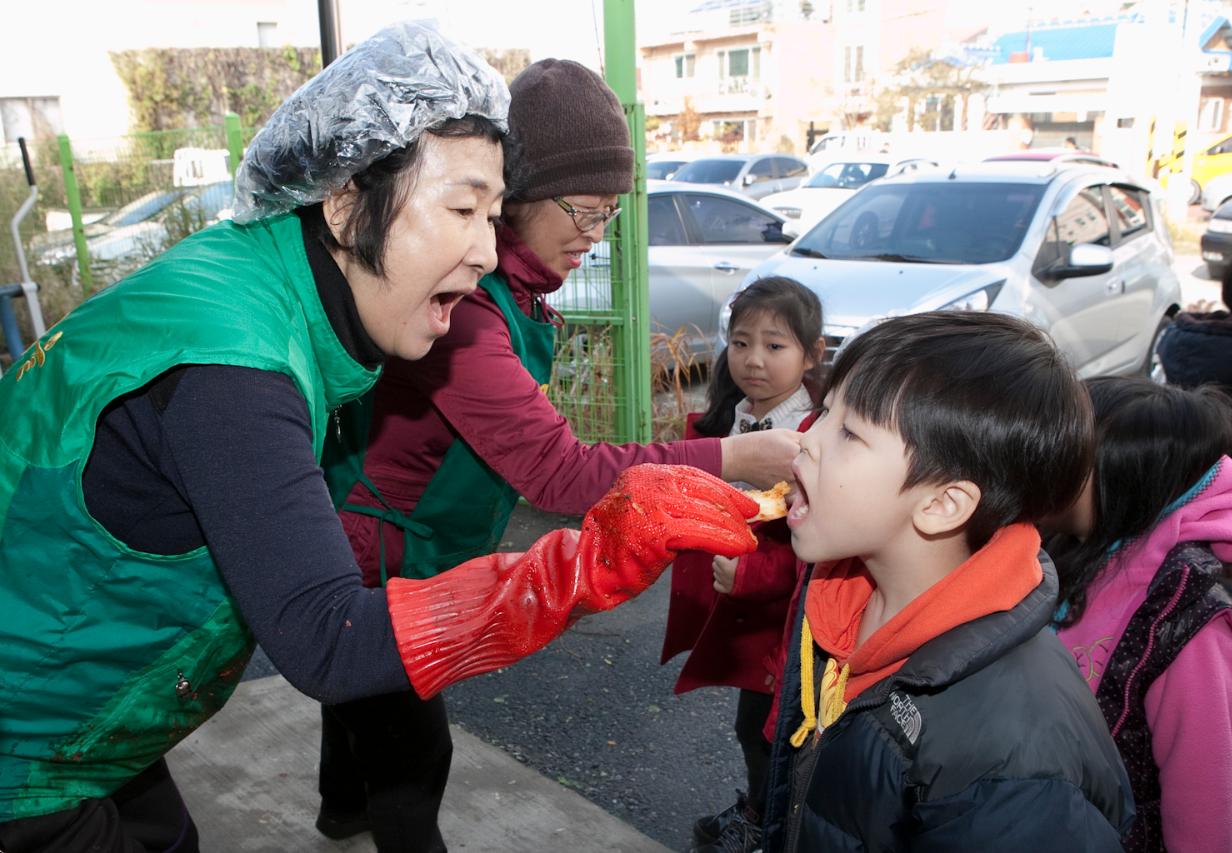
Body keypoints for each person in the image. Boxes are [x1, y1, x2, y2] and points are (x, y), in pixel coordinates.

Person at [0, 24, 761, 853]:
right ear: (346, 198)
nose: (482, 250)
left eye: (495, 214)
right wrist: (586, 565)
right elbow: (329, 640)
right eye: (464, 208)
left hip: (80, 708)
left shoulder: (257, 281)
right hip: (27, 740)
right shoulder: (235, 366)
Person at [315, 58, 801, 851]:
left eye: (609, 214)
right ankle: (368, 812)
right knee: (414, 746)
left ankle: (341, 807)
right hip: (382, 544)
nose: (593, 234)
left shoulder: (514, 291)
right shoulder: (468, 313)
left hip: (401, 532)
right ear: (516, 194)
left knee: (358, 691)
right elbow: (560, 471)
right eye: (582, 209)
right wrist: (739, 459)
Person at [763, 312, 1134, 852]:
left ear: (941, 504)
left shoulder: (1017, 762)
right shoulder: (839, 598)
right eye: (824, 410)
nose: (805, 441)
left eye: (848, 431)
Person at [1044, 377, 1232, 852]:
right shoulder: (1064, 549)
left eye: (1061, 456)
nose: (1038, 465)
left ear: (1118, 481)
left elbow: (1202, 800)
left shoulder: (1189, 625)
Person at [658, 277, 824, 853]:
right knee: (758, 726)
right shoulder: (730, 417)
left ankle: (766, 825)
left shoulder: (813, 436)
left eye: (775, 346)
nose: (754, 361)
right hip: (748, 618)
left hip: (789, 626)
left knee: (772, 730)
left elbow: (821, 550)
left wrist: (749, 576)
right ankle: (762, 809)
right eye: (741, 342)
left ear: (812, 354)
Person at [1159, 238, 1232, 761]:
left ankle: (1192, 694)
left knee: (1200, 604)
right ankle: (1220, 705)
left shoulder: (1190, 339)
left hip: (1195, 502)